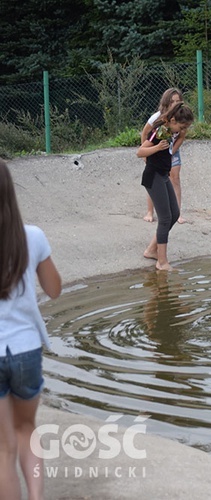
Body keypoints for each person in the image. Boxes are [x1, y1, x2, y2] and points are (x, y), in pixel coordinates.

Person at [0, 159, 62, 500]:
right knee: (26, 430)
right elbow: (54, 290)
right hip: (25, 350)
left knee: (3, 450)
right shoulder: (33, 237)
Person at [137, 101, 194, 271]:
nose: (182, 130)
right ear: (173, 121)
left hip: (162, 175)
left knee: (174, 213)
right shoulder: (159, 132)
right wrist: (157, 148)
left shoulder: (169, 131)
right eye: (181, 126)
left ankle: (152, 250)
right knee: (165, 218)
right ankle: (162, 262)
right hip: (153, 176)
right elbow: (140, 152)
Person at [142, 88, 188, 224]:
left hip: (171, 149)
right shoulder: (157, 117)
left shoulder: (182, 118)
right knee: (155, 179)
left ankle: (177, 213)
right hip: (155, 150)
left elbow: (182, 136)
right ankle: (150, 211)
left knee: (175, 178)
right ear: (166, 102)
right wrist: (146, 153)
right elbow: (145, 133)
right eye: (172, 101)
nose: (175, 104)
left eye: (178, 101)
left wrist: (172, 151)